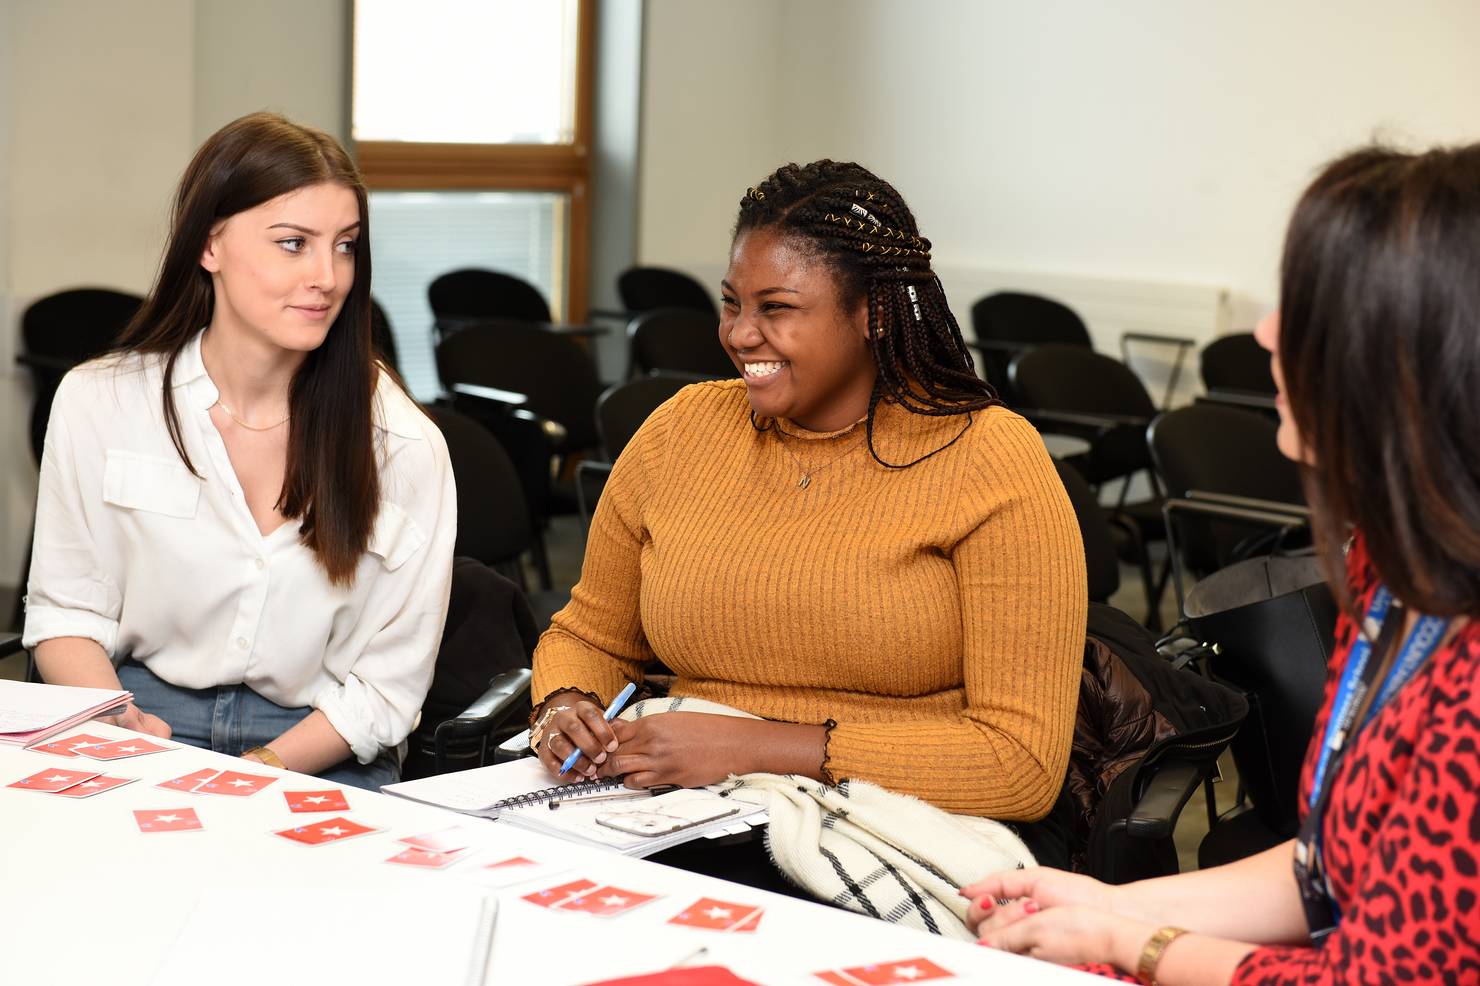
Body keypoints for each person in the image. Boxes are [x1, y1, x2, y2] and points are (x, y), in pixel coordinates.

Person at [963, 143, 1480, 984]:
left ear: (1410, 356)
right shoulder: (1393, 575)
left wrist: (1132, 947)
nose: (1267, 332)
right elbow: (1325, 871)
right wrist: (1105, 904)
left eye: (1305, 305)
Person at [530, 160, 1086, 827]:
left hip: (894, 821)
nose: (740, 334)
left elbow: (1018, 764)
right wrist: (564, 703)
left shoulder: (988, 457)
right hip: (677, 808)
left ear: (871, 313)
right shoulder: (681, 428)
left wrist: (751, 750)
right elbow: (591, 633)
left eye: (778, 309)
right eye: (732, 302)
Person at [22, 112, 456, 791]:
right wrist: (116, 728)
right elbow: (66, 615)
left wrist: (261, 771)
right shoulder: (100, 402)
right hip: (136, 712)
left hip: (318, 738)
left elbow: (387, 686)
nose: (327, 277)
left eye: (345, 246)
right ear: (209, 245)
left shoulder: (403, 446)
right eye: (293, 243)